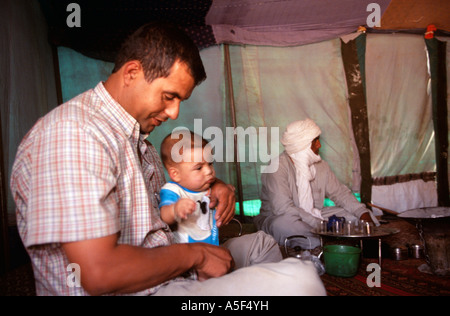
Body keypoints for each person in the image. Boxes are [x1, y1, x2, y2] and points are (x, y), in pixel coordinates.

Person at [10, 23, 326, 296]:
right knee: (301, 281)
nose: (175, 112)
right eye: (169, 96)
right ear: (132, 73)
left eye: (180, 100)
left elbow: (174, 194)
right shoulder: (75, 135)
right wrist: (195, 256)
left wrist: (217, 185)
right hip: (147, 289)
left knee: (260, 243)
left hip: (170, 271)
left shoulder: (135, 141)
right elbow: (98, 272)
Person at [254, 118, 379, 250]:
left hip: (315, 215)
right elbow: (283, 209)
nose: (319, 145)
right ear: (303, 144)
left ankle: (340, 240)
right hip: (280, 218)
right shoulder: (277, 166)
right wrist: (320, 224)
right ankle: (325, 243)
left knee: (355, 216)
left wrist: (361, 213)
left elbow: (340, 193)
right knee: (284, 225)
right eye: (315, 141)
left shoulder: (321, 166)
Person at [159, 130, 219, 245]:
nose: (209, 171)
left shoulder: (209, 187)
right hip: (186, 248)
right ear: (176, 174)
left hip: (211, 241)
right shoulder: (173, 190)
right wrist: (174, 209)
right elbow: (164, 215)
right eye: (199, 168)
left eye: (210, 163)